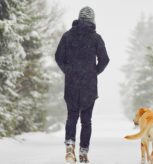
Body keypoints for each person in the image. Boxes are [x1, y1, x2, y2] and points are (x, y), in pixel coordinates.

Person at [55, 6, 109, 163]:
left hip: (71, 83)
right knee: (86, 120)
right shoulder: (96, 38)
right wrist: (93, 72)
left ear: (78, 19)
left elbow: (58, 56)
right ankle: (83, 153)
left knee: (71, 116)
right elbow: (105, 59)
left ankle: (70, 147)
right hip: (89, 86)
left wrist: (69, 71)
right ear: (92, 20)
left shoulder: (67, 36)